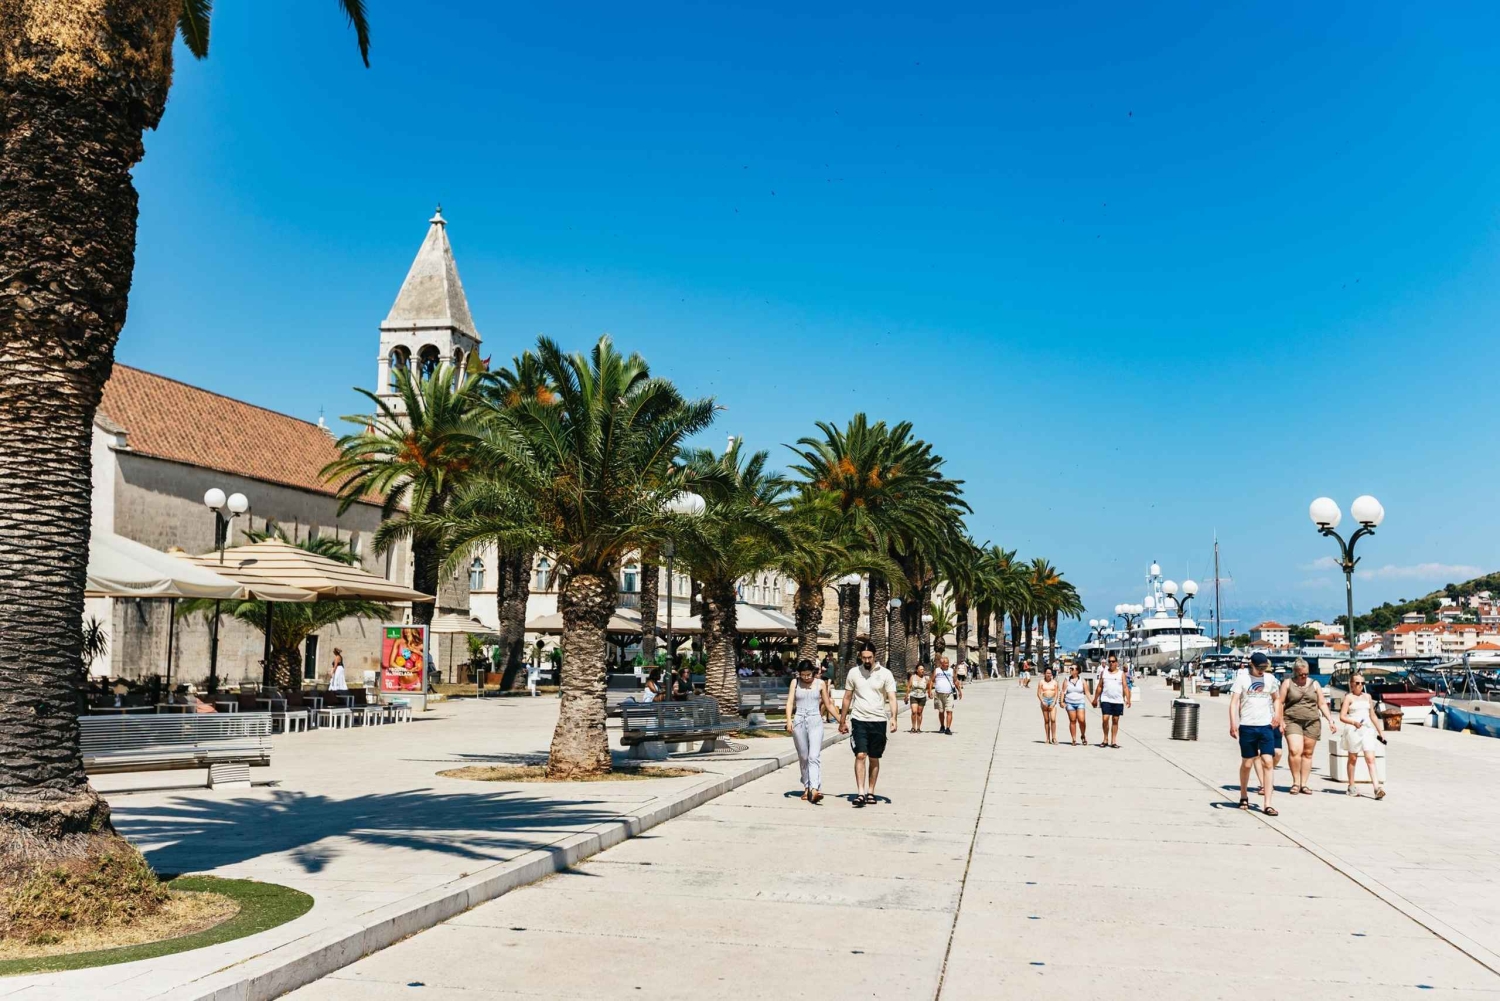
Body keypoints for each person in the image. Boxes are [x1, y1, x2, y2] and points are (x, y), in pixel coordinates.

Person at [837, 643, 899, 807]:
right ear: (860, 657)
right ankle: (860, 793)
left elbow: (892, 697)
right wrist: (842, 720)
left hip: (878, 720)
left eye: (869, 657)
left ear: (875, 656)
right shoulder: (854, 673)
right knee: (860, 755)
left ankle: (871, 791)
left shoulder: (885, 674)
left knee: (874, 757)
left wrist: (894, 717)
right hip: (859, 719)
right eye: (864, 657)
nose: (866, 660)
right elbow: (847, 697)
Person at [1229, 651, 1281, 815]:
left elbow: (1277, 698)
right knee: (1247, 763)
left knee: (1268, 761)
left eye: (1264, 667)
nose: (1261, 671)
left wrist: (1277, 715)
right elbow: (1234, 702)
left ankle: (1268, 803)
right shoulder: (1242, 679)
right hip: (1247, 726)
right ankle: (1244, 795)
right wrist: (1233, 723)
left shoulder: (1270, 679)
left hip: (1265, 726)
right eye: (1259, 668)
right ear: (1251, 665)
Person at [1279, 658, 1337, 795]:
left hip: (1312, 722)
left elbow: (1321, 703)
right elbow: (1280, 702)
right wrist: (1280, 720)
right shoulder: (1287, 683)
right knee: (1295, 750)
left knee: (1308, 753)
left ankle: (1304, 784)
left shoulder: (1315, 684)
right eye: (1301, 674)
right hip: (1292, 720)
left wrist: (1330, 720)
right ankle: (1296, 782)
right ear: (1295, 672)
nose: (1304, 676)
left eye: (1306, 674)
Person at [786, 659, 839, 803]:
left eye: (808, 674)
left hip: (815, 720)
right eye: (803, 675)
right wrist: (789, 720)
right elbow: (790, 702)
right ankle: (807, 786)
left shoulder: (820, 683)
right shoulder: (795, 683)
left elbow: (828, 704)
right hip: (799, 720)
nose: (806, 677)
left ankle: (815, 788)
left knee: (813, 755)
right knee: (803, 756)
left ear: (813, 673)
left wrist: (841, 721)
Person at [1338, 674, 1387, 799]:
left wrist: (1380, 731)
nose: (1360, 685)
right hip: (1353, 730)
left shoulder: (1368, 697)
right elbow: (1342, 716)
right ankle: (1351, 786)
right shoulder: (1348, 697)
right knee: (1353, 758)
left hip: (1367, 729)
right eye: (1357, 683)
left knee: (1370, 758)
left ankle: (1376, 788)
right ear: (1351, 684)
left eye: (1363, 683)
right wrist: (1353, 722)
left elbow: (1372, 715)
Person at [1092, 653, 1130, 748]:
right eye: (1109, 661)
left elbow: (1125, 687)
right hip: (1106, 699)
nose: (1111, 663)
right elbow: (1099, 686)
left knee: (1115, 720)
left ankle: (1113, 741)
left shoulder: (1121, 673)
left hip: (1118, 700)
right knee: (1105, 719)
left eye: (1113, 661)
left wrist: (1128, 699)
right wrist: (1095, 699)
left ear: (1116, 663)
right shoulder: (1104, 672)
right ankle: (1105, 739)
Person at [932, 655, 961, 735]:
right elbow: (931, 680)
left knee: (949, 711)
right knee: (941, 711)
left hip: (949, 694)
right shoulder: (937, 670)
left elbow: (955, 681)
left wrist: (959, 691)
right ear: (941, 664)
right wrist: (929, 691)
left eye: (948, 663)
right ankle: (942, 726)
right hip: (939, 694)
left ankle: (948, 728)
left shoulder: (951, 670)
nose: (947, 664)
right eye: (945, 663)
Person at [1063, 665, 1089, 745]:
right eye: (1070, 668)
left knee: (1081, 720)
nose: (1070, 670)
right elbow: (1063, 691)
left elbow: (1087, 692)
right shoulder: (1067, 679)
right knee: (1072, 720)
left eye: (1072, 669)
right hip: (1069, 702)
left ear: (1077, 671)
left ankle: (1083, 735)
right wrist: (1061, 702)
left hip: (1080, 702)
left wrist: (1093, 701)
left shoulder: (1082, 680)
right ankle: (1073, 739)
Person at [906, 662, 929, 732]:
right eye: (921, 669)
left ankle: (918, 728)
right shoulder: (913, 677)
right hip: (913, 696)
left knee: (919, 712)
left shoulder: (926, 678)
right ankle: (913, 727)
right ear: (917, 670)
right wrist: (906, 695)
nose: (923, 671)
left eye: (923, 669)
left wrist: (929, 693)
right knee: (914, 712)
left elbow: (928, 687)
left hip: (922, 697)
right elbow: (909, 687)